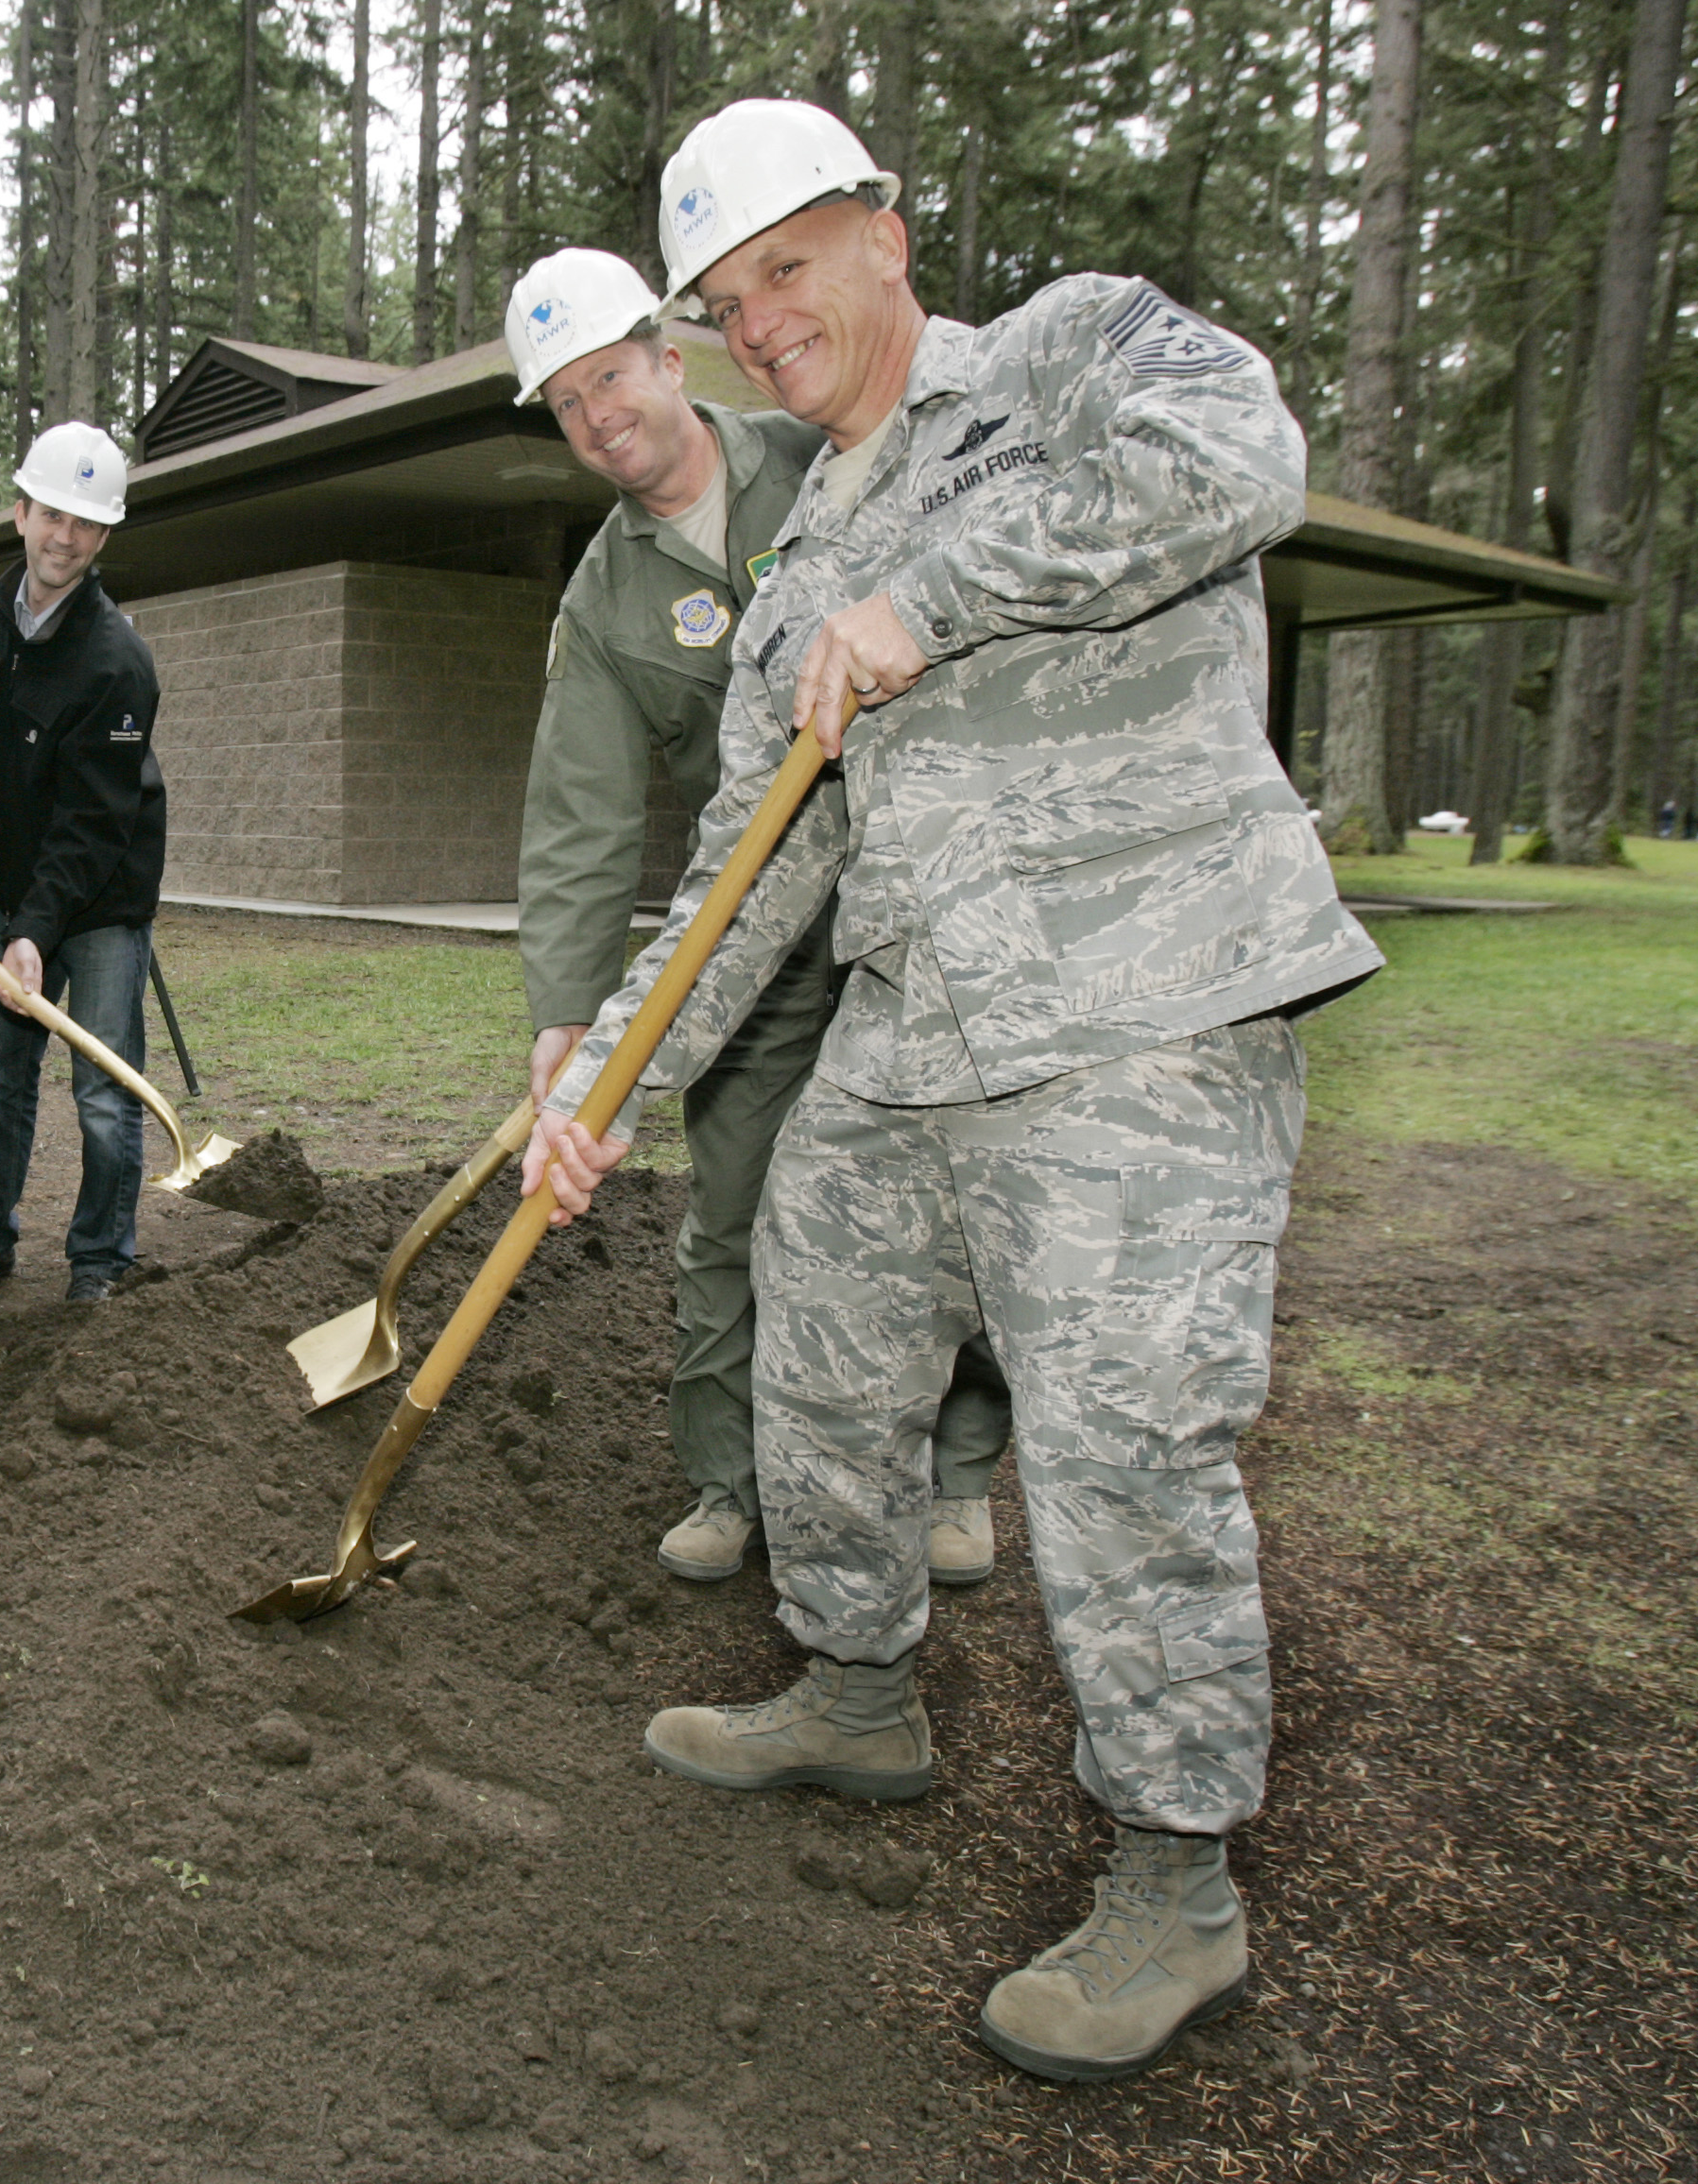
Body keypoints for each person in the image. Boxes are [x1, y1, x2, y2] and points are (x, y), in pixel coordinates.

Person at [523, 98, 1382, 2080]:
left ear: (888, 237)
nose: (766, 324)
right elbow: (749, 863)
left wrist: (939, 595)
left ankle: (1176, 1884)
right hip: (917, 1037)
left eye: (790, 271)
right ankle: (854, 1687)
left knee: (1117, 1444)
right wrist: (611, 1074)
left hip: (1143, 1002)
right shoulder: (798, 557)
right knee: (814, 1337)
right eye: (731, 304)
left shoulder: (1072, 358)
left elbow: (1242, 456)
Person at [506, 247, 1012, 1589]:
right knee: (731, 1213)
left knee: (944, 1206)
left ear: (673, 360)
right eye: (565, 401)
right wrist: (570, 1015)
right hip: (759, 949)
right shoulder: (605, 604)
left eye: (610, 374)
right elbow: (580, 816)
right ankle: (730, 1480)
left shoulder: (831, 451)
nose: (598, 412)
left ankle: (956, 1481)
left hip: (921, 923)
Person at [0, 421, 164, 1307]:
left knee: (101, 1087)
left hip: (96, 903)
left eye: (86, 523)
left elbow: (95, 824)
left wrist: (33, 931)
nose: (65, 536)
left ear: (103, 537)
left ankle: (101, 1258)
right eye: (52, 513)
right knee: (0, 1078)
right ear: (20, 512)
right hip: (21, 892)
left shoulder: (116, 663)